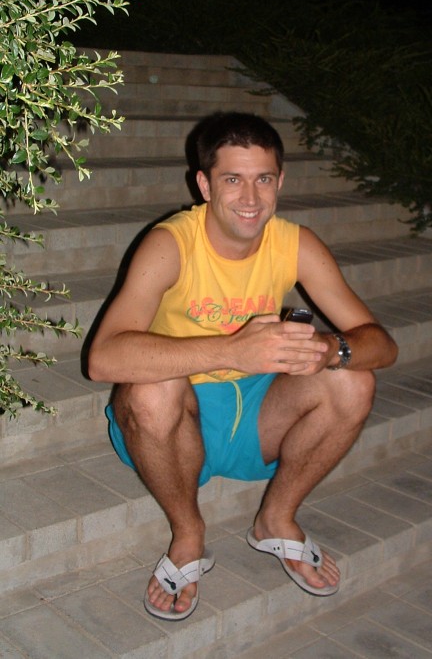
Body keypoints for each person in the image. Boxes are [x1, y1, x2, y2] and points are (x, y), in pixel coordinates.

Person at [88, 111, 398, 621]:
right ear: (205, 185)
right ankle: (188, 534)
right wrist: (232, 350)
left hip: (258, 416)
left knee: (353, 382)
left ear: (280, 182)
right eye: (233, 179)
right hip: (175, 421)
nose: (251, 198)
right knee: (150, 390)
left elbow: (382, 345)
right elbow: (103, 358)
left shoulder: (295, 244)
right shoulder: (170, 244)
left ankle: (277, 517)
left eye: (263, 179)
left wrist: (327, 350)